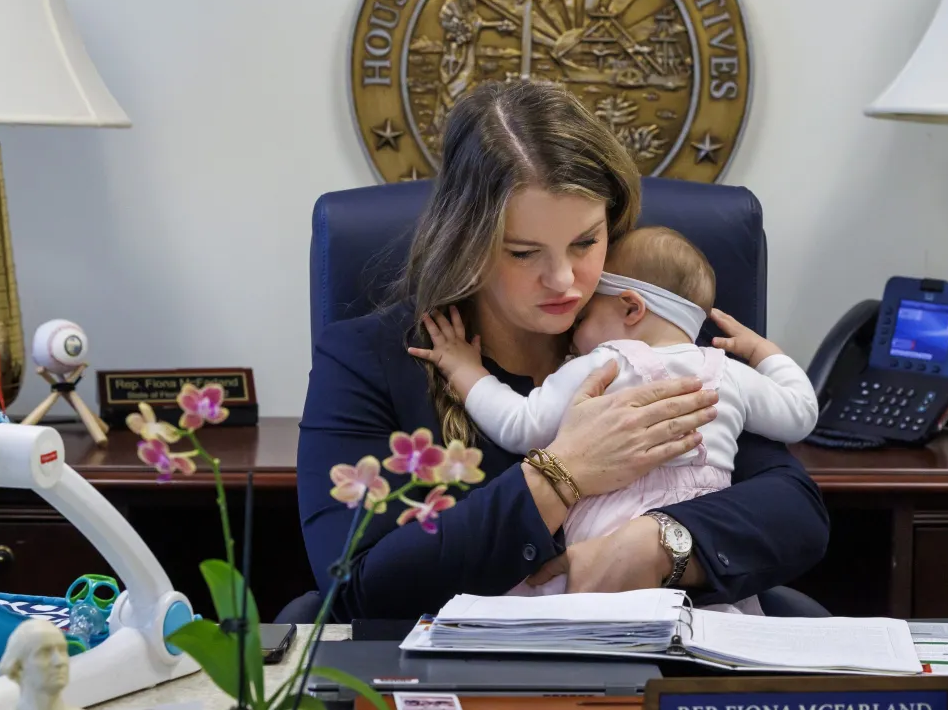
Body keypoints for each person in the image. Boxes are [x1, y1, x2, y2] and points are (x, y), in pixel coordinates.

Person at [296, 78, 829, 620]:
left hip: (656, 672)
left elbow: (794, 511)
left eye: (585, 243)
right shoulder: (368, 359)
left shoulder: (646, 337)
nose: (564, 282)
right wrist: (562, 473)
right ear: (464, 240)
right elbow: (357, 588)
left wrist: (657, 546)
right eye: (524, 253)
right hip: (471, 685)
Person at [409, 225, 818, 613]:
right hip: (695, 565)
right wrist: (765, 351)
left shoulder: (605, 362)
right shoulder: (729, 373)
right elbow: (801, 414)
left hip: (603, 552)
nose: (572, 331)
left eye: (585, 316)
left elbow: (520, 425)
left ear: (631, 307)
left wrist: (465, 370)